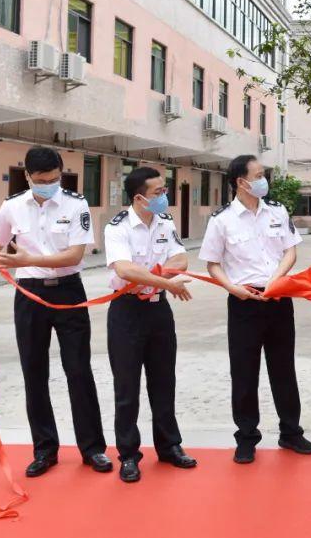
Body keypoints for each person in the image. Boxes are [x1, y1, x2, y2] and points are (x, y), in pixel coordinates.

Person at [0, 146, 109, 477]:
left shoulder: (76, 204)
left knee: (78, 370)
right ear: (28, 176)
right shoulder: (12, 206)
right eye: (41, 181)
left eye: (54, 179)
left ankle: (93, 449)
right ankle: (44, 450)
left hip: (68, 291)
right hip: (29, 294)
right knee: (34, 372)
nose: (48, 185)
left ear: (60, 173)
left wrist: (29, 259)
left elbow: (74, 255)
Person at [199, 155, 311, 465]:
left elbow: (290, 250)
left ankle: (290, 432)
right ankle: (247, 437)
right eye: (259, 175)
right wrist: (232, 288)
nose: (264, 180)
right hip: (244, 302)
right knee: (244, 372)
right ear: (241, 182)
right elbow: (212, 264)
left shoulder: (277, 211)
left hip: (278, 298)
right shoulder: (222, 220)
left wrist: (277, 279)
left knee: (283, 369)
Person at [104, 167, 198, 483]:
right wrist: (165, 281)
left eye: (164, 190)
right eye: (158, 193)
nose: (164, 197)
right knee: (127, 387)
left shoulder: (165, 222)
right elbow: (125, 269)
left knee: (163, 382)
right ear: (139, 198)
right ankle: (129, 455)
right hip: (126, 311)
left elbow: (181, 260)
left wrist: (153, 280)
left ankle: (170, 446)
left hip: (158, 310)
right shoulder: (118, 227)